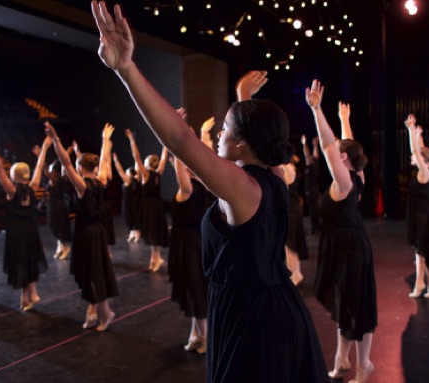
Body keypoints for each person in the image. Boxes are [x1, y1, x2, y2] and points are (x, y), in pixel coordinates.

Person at [91, 3, 329, 381]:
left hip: (254, 321)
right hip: (268, 309)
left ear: (243, 143)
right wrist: (241, 94)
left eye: (225, 127)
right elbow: (228, 146)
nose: (218, 132)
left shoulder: (243, 188)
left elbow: (179, 138)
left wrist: (126, 69)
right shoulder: (271, 176)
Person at [306, 80, 377, 383]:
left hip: (350, 249)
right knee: (344, 304)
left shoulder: (344, 182)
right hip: (347, 245)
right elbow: (347, 147)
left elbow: (327, 145)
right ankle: (341, 359)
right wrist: (345, 120)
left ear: (343, 160)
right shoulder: (357, 173)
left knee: (357, 310)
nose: (335, 153)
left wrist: (317, 109)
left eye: (339, 153)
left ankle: (364, 367)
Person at [45, 121, 118, 331]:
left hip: (87, 233)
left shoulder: (82, 185)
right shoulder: (102, 180)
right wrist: (105, 140)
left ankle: (105, 312)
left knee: (94, 273)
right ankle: (93, 310)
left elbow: (65, 163)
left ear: (80, 167)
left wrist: (56, 139)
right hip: (97, 232)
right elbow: (104, 160)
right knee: (91, 272)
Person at [0, 135, 49, 312]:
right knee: (29, 258)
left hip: (16, 229)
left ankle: (28, 294)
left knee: (21, 261)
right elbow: (39, 166)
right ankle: (28, 293)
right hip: (30, 228)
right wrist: (44, 148)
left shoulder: (11, 190)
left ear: (14, 175)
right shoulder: (34, 186)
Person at [168, 153, 208, 354]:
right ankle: (195, 334)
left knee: (195, 291)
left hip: (188, 246)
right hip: (199, 243)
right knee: (198, 289)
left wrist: (177, 151)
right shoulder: (204, 186)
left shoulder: (188, 189)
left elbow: (181, 168)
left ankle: (205, 339)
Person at [404, 114, 429, 299]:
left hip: (424, 217)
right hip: (419, 214)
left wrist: (411, 130)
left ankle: (427, 283)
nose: (413, 157)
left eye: (417, 157)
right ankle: (426, 282)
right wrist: (417, 134)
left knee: (423, 251)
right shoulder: (423, 170)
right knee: (421, 251)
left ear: (424, 162)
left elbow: (417, 151)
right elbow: (419, 150)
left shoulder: (425, 172)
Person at [137, 143, 169, 272]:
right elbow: (163, 159)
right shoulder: (158, 173)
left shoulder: (146, 174)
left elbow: (136, 157)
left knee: (153, 233)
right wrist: (165, 146)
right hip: (157, 206)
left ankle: (155, 259)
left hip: (150, 207)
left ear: (148, 163)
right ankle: (155, 258)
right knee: (153, 232)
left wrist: (132, 141)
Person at [280, 155, 308, 286]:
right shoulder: (289, 168)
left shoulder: (287, 169)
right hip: (292, 209)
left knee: (290, 245)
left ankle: (294, 275)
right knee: (291, 244)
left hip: (291, 210)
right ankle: (296, 274)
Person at [112, 129, 143, 243]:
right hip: (127, 202)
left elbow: (136, 158)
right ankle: (132, 232)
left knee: (134, 217)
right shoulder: (129, 180)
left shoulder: (131, 180)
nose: (125, 173)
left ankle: (137, 232)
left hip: (134, 203)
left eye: (127, 172)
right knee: (128, 217)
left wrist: (116, 161)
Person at [46, 159, 73, 259]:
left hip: (57, 205)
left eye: (51, 168)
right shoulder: (59, 179)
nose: (49, 170)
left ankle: (65, 247)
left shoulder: (56, 179)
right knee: (55, 225)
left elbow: (46, 172)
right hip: (55, 204)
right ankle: (60, 246)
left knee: (59, 226)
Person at [301, 134, 321, 235]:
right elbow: (307, 155)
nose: (308, 159)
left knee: (314, 210)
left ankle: (316, 228)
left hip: (312, 191)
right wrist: (314, 145)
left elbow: (308, 155)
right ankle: (315, 227)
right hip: (309, 190)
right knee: (312, 210)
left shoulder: (313, 167)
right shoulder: (311, 166)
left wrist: (307, 144)